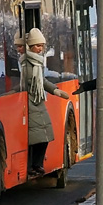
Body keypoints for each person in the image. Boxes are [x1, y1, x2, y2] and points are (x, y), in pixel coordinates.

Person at [22, 28, 71, 178]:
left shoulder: (37, 62)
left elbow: (42, 80)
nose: (40, 49)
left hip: (38, 101)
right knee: (35, 137)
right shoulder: (25, 62)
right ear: (30, 46)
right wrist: (54, 90)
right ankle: (32, 165)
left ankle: (37, 164)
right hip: (29, 101)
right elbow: (28, 82)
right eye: (37, 46)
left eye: (42, 46)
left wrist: (55, 90)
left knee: (45, 135)